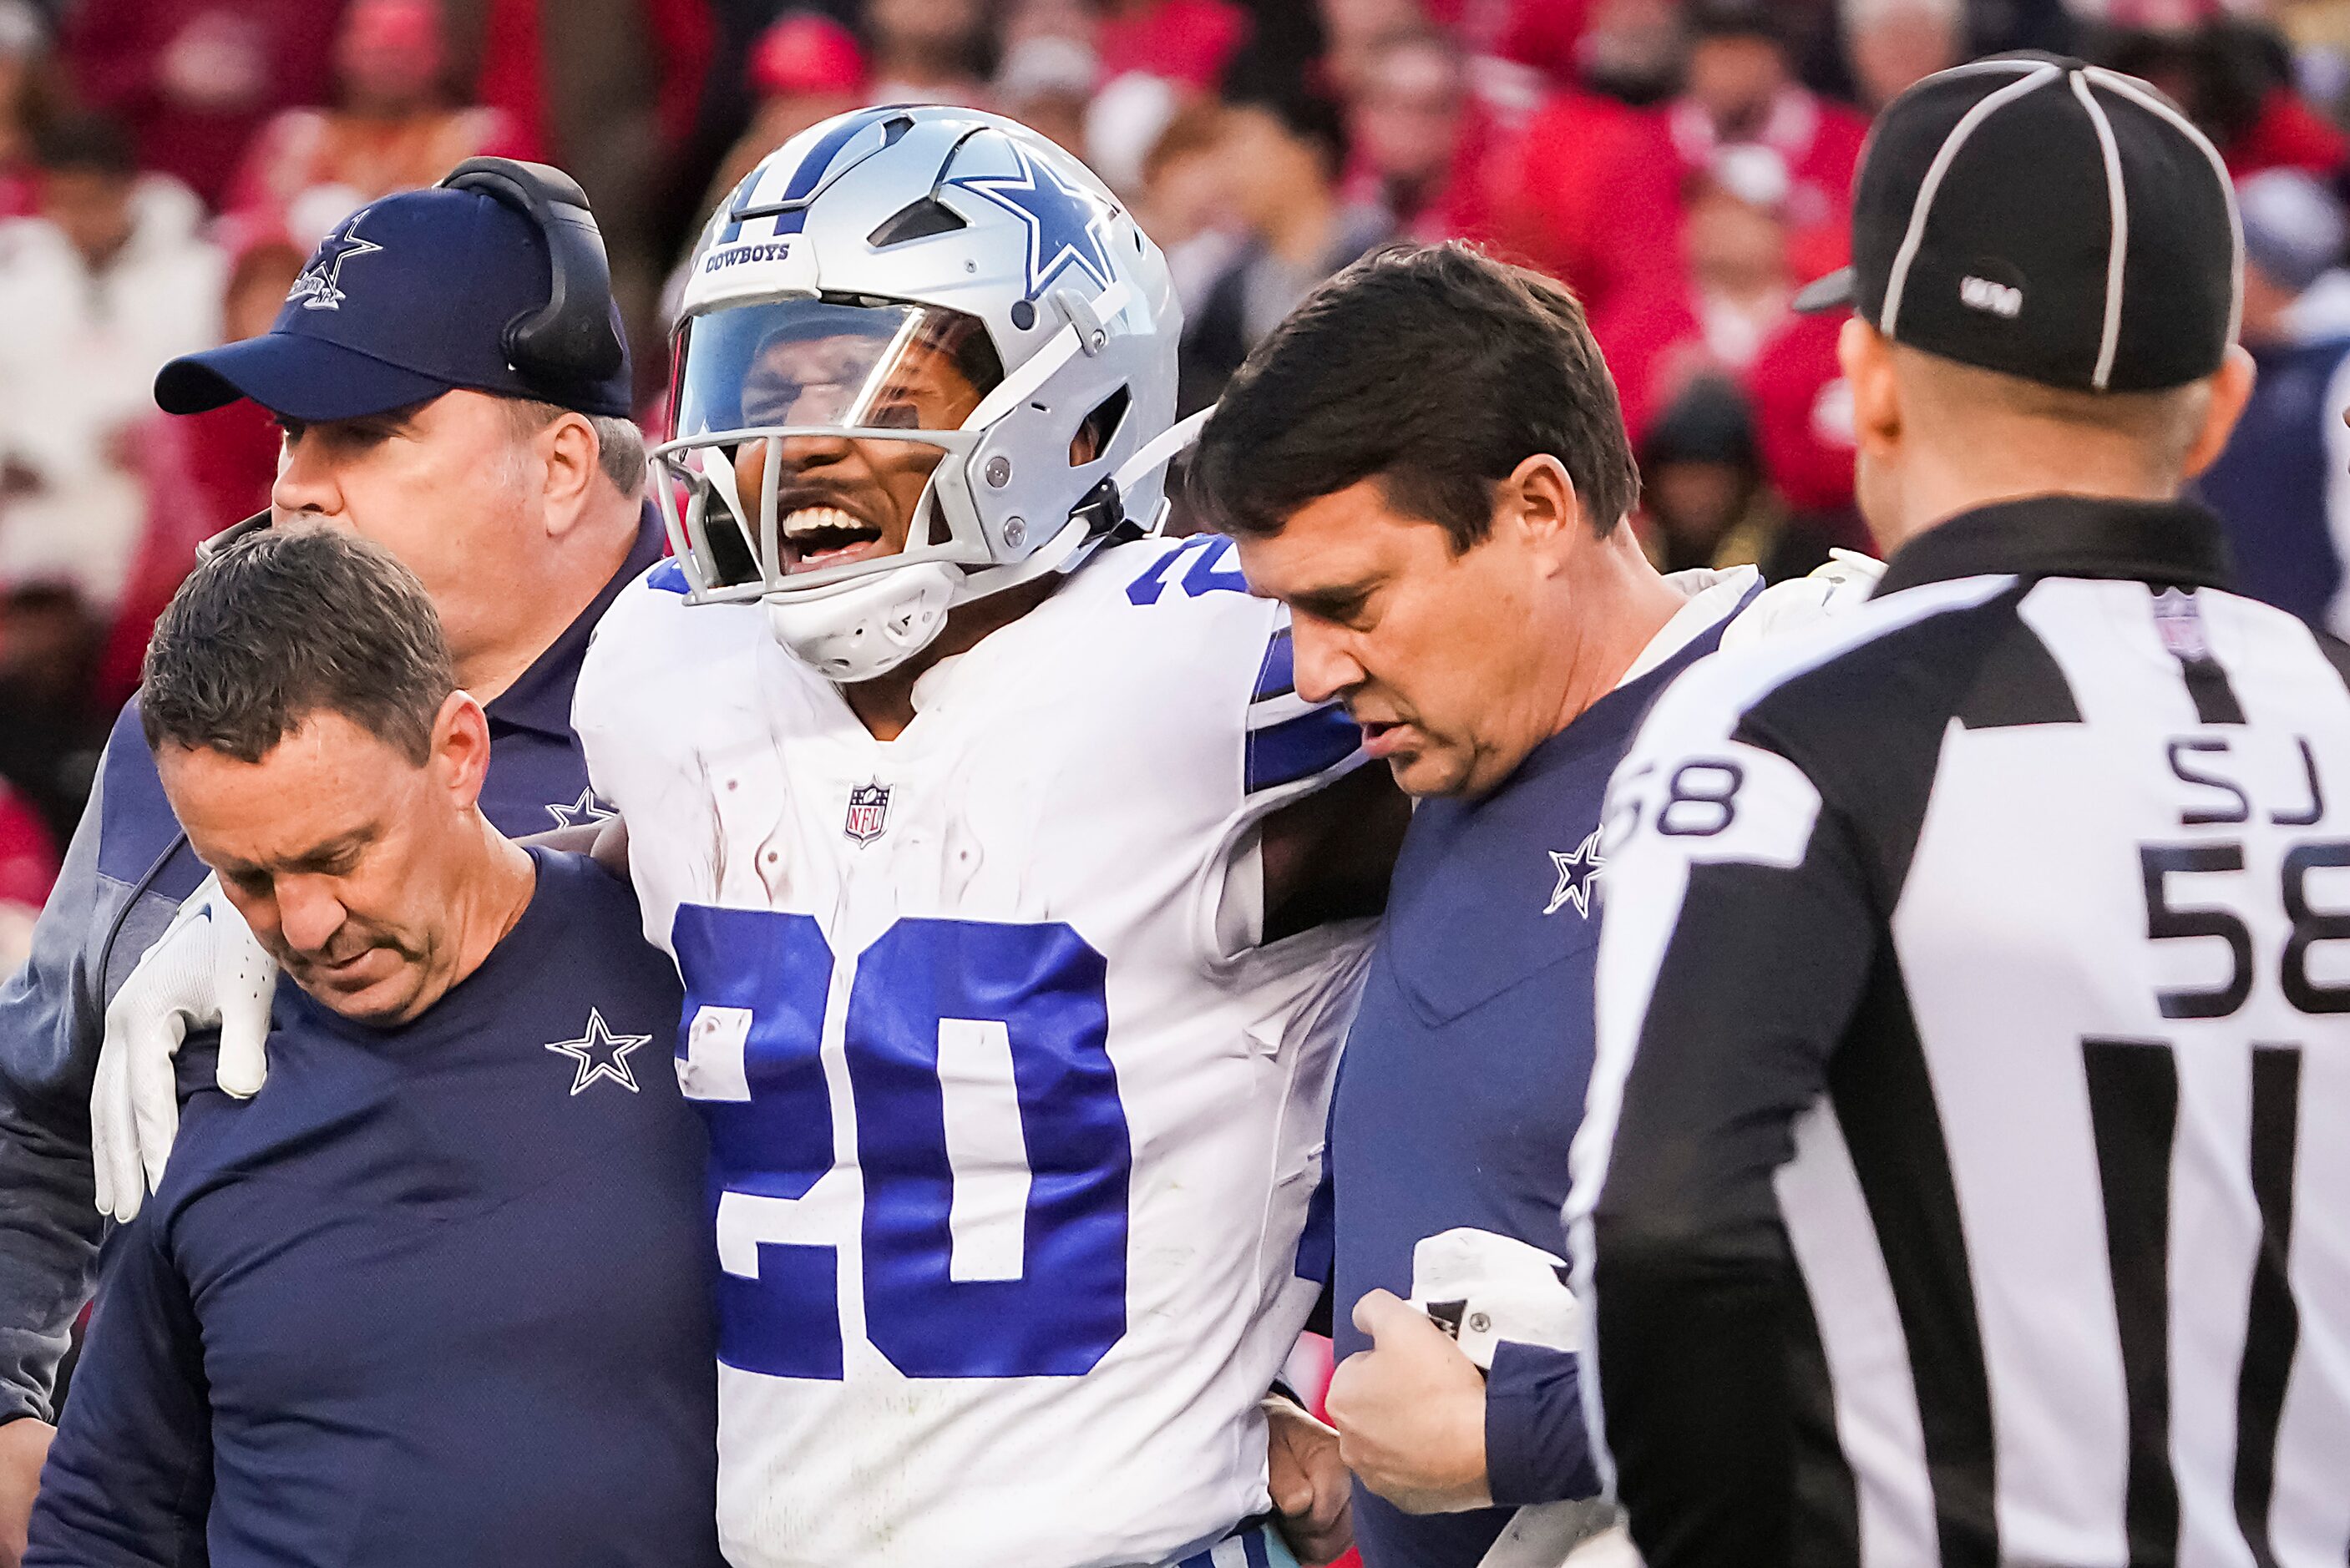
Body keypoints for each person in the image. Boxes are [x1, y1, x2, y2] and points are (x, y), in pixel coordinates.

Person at [99, 108, 1373, 1568]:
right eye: (755, 377)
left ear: (1070, 396)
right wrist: (285, 900)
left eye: (850, 374)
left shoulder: (1215, 661)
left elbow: (1527, 779)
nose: (788, 437)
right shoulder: (673, 663)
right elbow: (636, 876)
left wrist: (1358, 1311)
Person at [1568, 56, 2350, 1567]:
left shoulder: (1789, 724)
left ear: (1862, 376)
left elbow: (1662, 1228)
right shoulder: (2333, 698)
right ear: (2217, 409)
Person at [0, 160, 655, 1565]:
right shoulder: (209, 705)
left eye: (361, 432)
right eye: (291, 432)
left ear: (558, 466)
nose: (294, 488)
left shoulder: (736, 695)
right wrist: (1, 1417)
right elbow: (37, 1101)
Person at [1187, 242, 1875, 1568]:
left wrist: (1528, 1433)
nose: (1316, 669)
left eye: (1350, 601)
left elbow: (1940, 1302)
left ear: (1539, 511)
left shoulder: (1810, 739)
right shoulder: (1442, 755)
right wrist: (1326, 1396)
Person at [27, 527, 722, 1568]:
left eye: (340, 855)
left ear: (458, 753)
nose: (304, 926)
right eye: (245, 878)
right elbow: (110, 1520)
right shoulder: (194, 1082)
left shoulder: (691, 968)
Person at [0, 113, 223, 613]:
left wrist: (157, 436)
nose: (76, 220)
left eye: (91, 202)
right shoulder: (15, 276)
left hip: (148, 521)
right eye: (61, 203)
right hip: (33, 522)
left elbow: (213, 394)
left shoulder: (198, 277)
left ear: (127, 191)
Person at [2193, 167, 2350, 637]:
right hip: (2246, 641)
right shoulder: (2241, 355)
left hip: (2325, 655)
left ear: (2261, 272)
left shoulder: (2338, 371)